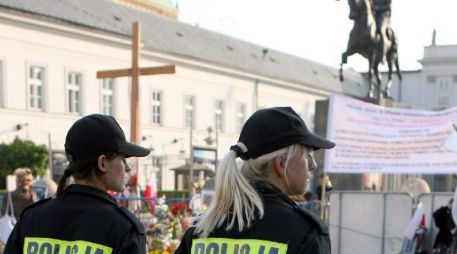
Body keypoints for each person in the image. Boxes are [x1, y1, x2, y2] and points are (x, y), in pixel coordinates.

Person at [175, 107, 335, 254]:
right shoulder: (304, 232)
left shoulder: (201, 229)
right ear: (281, 164)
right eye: (307, 156)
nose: (313, 165)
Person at [5, 114, 151, 253]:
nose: (127, 167)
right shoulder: (123, 228)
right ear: (102, 163)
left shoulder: (31, 218)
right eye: (122, 159)